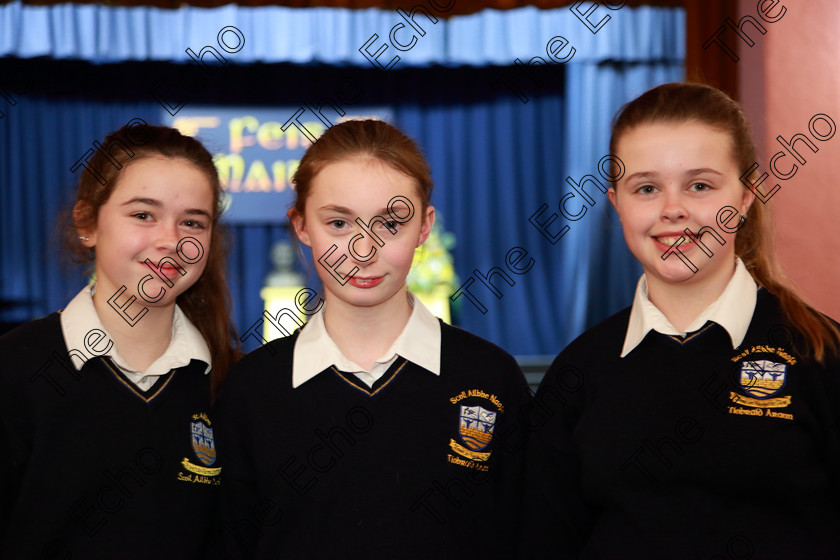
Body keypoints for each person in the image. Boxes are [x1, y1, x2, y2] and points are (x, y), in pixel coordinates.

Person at [522, 83, 840, 558]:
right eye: (647, 188)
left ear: (747, 196)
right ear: (616, 203)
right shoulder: (577, 375)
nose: (673, 210)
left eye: (700, 185)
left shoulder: (820, 353)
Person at [212, 119, 531, 560]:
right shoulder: (252, 390)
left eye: (390, 223)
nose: (363, 250)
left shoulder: (491, 378)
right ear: (301, 225)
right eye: (339, 223)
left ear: (424, 226)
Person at [0, 124, 240, 559]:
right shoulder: (15, 370)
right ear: (87, 223)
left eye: (192, 222)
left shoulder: (234, 385)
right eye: (143, 215)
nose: (171, 241)